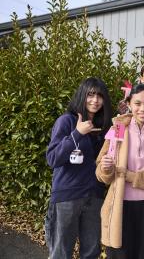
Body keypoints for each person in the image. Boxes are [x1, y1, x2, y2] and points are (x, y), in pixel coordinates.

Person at [96, 84, 144, 259]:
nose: (142, 109)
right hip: (120, 204)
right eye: (137, 103)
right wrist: (106, 168)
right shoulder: (118, 129)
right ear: (129, 104)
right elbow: (102, 174)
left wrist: (130, 176)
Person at [45, 77, 113, 259]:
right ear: (81, 95)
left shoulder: (103, 126)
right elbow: (52, 158)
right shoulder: (66, 121)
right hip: (68, 196)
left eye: (99, 96)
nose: (95, 100)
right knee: (60, 252)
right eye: (90, 95)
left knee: (91, 251)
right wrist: (77, 133)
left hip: (94, 196)